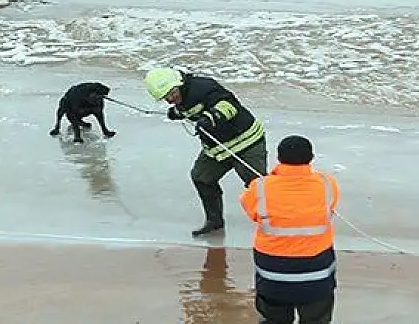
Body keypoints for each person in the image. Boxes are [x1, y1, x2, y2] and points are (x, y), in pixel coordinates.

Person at [144, 68, 268, 236]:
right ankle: (214, 221)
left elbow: (230, 105)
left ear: (179, 84)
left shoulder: (203, 87)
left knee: (258, 187)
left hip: (246, 141)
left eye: (171, 94)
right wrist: (175, 113)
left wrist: (211, 118)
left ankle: (274, 225)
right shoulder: (180, 97)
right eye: (165, 97)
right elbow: (189, 109)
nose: (170, 99)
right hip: (217, 148)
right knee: (201, 177)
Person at [240, 135, 340, 324]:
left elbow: (250, 209)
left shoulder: (259, 187)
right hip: (317, 278)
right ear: (311, 157)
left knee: (273, 319)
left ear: (279, 158)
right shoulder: (328, 184)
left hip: (272, 277)